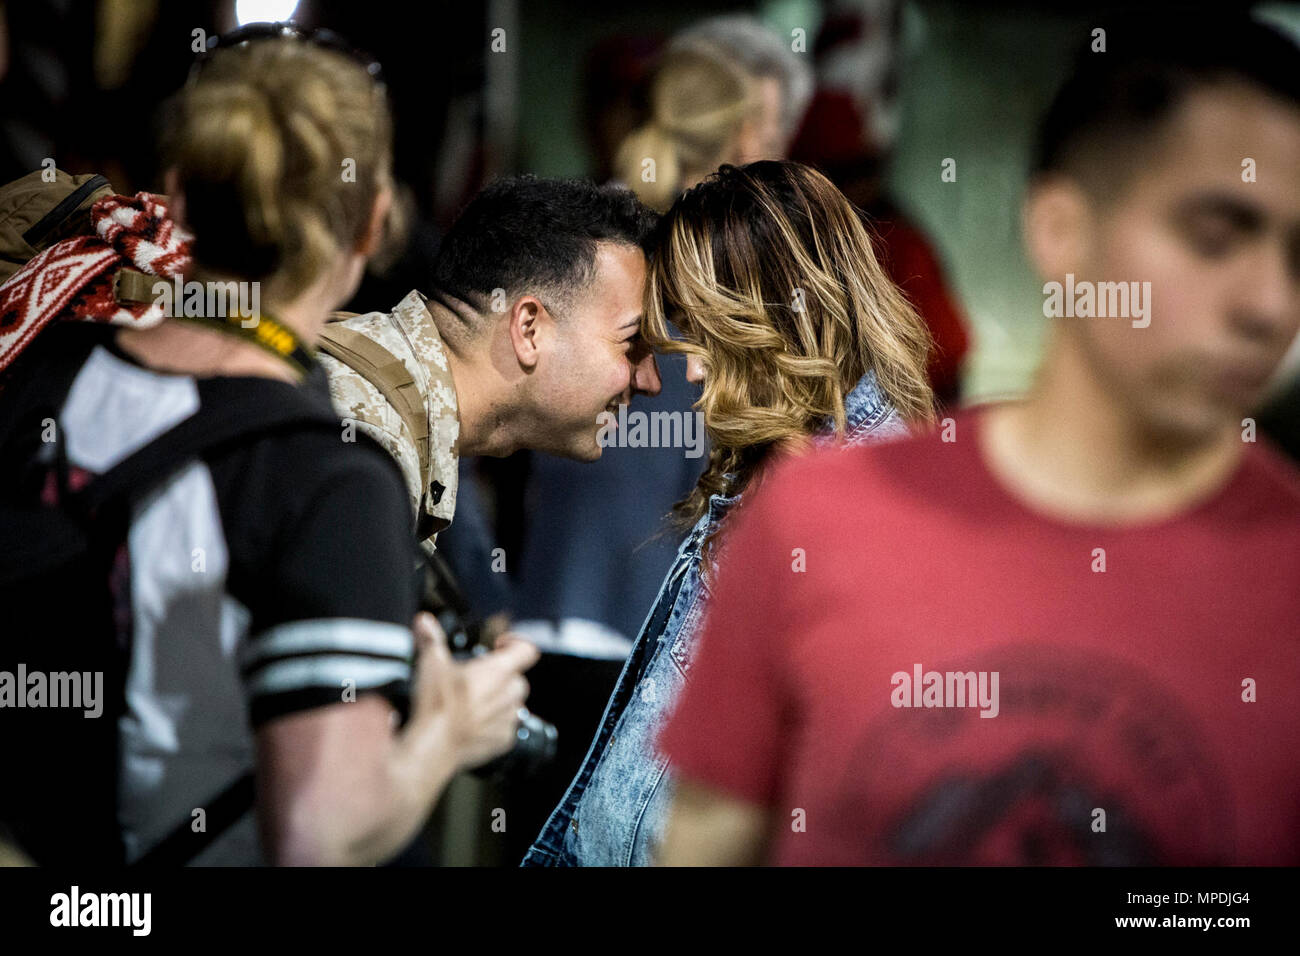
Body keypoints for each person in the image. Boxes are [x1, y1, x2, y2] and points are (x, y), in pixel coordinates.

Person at [656, 17, 1300, 866]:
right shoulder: (814, 518)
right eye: (1216, 235)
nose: (1270, 305)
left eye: (1299, 255)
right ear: (1062, 230)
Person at [0, 27, 537, 866]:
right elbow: (319, 838)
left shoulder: (43, 375)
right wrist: (448, 730)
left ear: (174, 195)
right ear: (373, 224)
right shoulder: (330, 479)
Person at [524, 160, 935, 866]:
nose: (692, 369)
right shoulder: (774, 467)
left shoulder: (872, 501)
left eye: (705, 330)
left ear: (771, 319)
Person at [320, 175, 664, 552]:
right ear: (529, 329)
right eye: (631, 341)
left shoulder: (394, 419)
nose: (650, 381)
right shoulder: (369, 445)